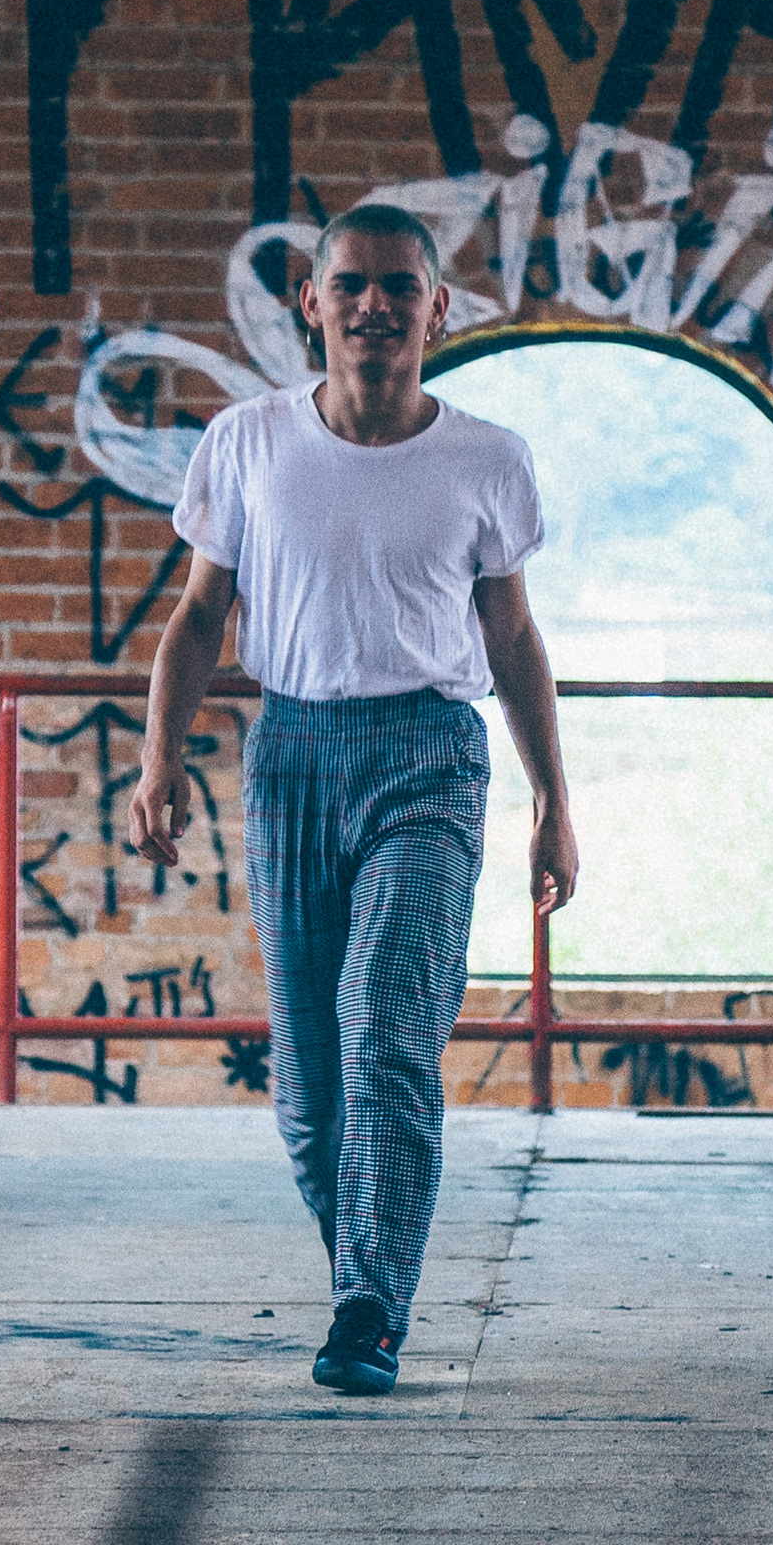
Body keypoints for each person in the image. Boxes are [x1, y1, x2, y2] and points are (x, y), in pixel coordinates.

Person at [123, 202, 578, 1396]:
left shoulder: (487, 458)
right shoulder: (247, 441)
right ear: (312, 304)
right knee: (311, 1093)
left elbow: (512, 635)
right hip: (292, 754)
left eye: (398, 285)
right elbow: (200, 615)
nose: (374, 304)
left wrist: (552, 798)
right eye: (351, 284)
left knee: (386, 1028)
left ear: (438, 309)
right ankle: (364, 1271)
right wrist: (160, 754)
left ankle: (370, 1306)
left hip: (429, 756)